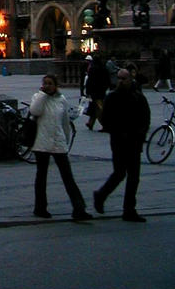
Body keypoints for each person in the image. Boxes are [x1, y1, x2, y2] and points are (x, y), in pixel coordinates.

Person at [30, 74, 92, 220]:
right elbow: (35, 111)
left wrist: (66, 140)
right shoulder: (38, 97)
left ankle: (79, 208)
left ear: (55, 85)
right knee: (41, 177)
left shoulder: (61, 100)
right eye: (45, 83)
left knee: (67, 176)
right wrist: (42, 95)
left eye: (50, 83)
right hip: (42, 143)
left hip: (58, 142)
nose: (47, 86)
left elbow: (65, 122)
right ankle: (40, 208)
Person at [93, 69, 151, 222]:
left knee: (133, 177)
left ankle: (129, 209)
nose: (120, 81)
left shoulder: (138, 97)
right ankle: (101, 195)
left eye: (123, 78)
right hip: (119, 141)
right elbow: (105, 119)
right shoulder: (112, 97)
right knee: (119, 173)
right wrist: (117, 131)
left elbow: (145, 118)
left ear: (130, 79)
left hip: (134, 142)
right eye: (118, 78)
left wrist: (140, 135)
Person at [85, 55, 110, 130]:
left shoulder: (93, 69)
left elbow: (90, 81)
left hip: (94, 91)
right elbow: (107, 80)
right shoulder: (104, 68)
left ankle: (105, 125)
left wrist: (88, 91)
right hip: (101, 91)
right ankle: (90, 123)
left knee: (98, 108)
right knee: (95, 106)